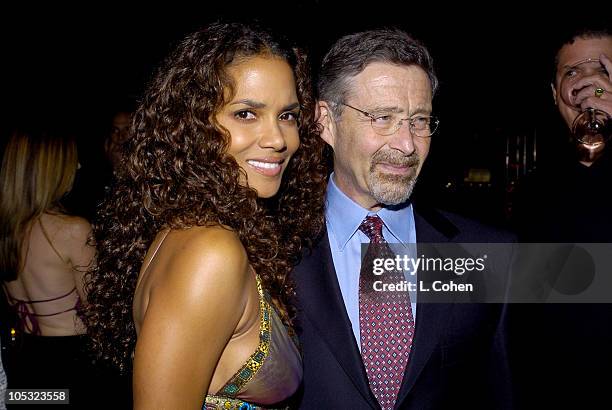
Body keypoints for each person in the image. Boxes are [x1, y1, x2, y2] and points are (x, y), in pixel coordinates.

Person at [84, 21, 327, 409]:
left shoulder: (200, 229)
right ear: (192, 125)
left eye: (288, 115)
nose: (279, 139)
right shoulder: (209, 250)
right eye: (246, 114)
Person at [292, 28, 514, 410]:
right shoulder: (268, 246)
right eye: (383, 118)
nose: (407, 144)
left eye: (420, 120)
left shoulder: (489, 253)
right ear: (326, 122)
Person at [509, 27, 612, 409]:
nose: (588, 82)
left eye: (603, 69)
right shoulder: (530, 193)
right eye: (572, 72)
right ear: (555, 96)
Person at [0, 125, 96, 403]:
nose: (78, 165)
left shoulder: (7, 230)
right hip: (71, 363)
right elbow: (100, 310)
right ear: (49, 169)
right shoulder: (72, 230)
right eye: (70, 160)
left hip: (22, 360)